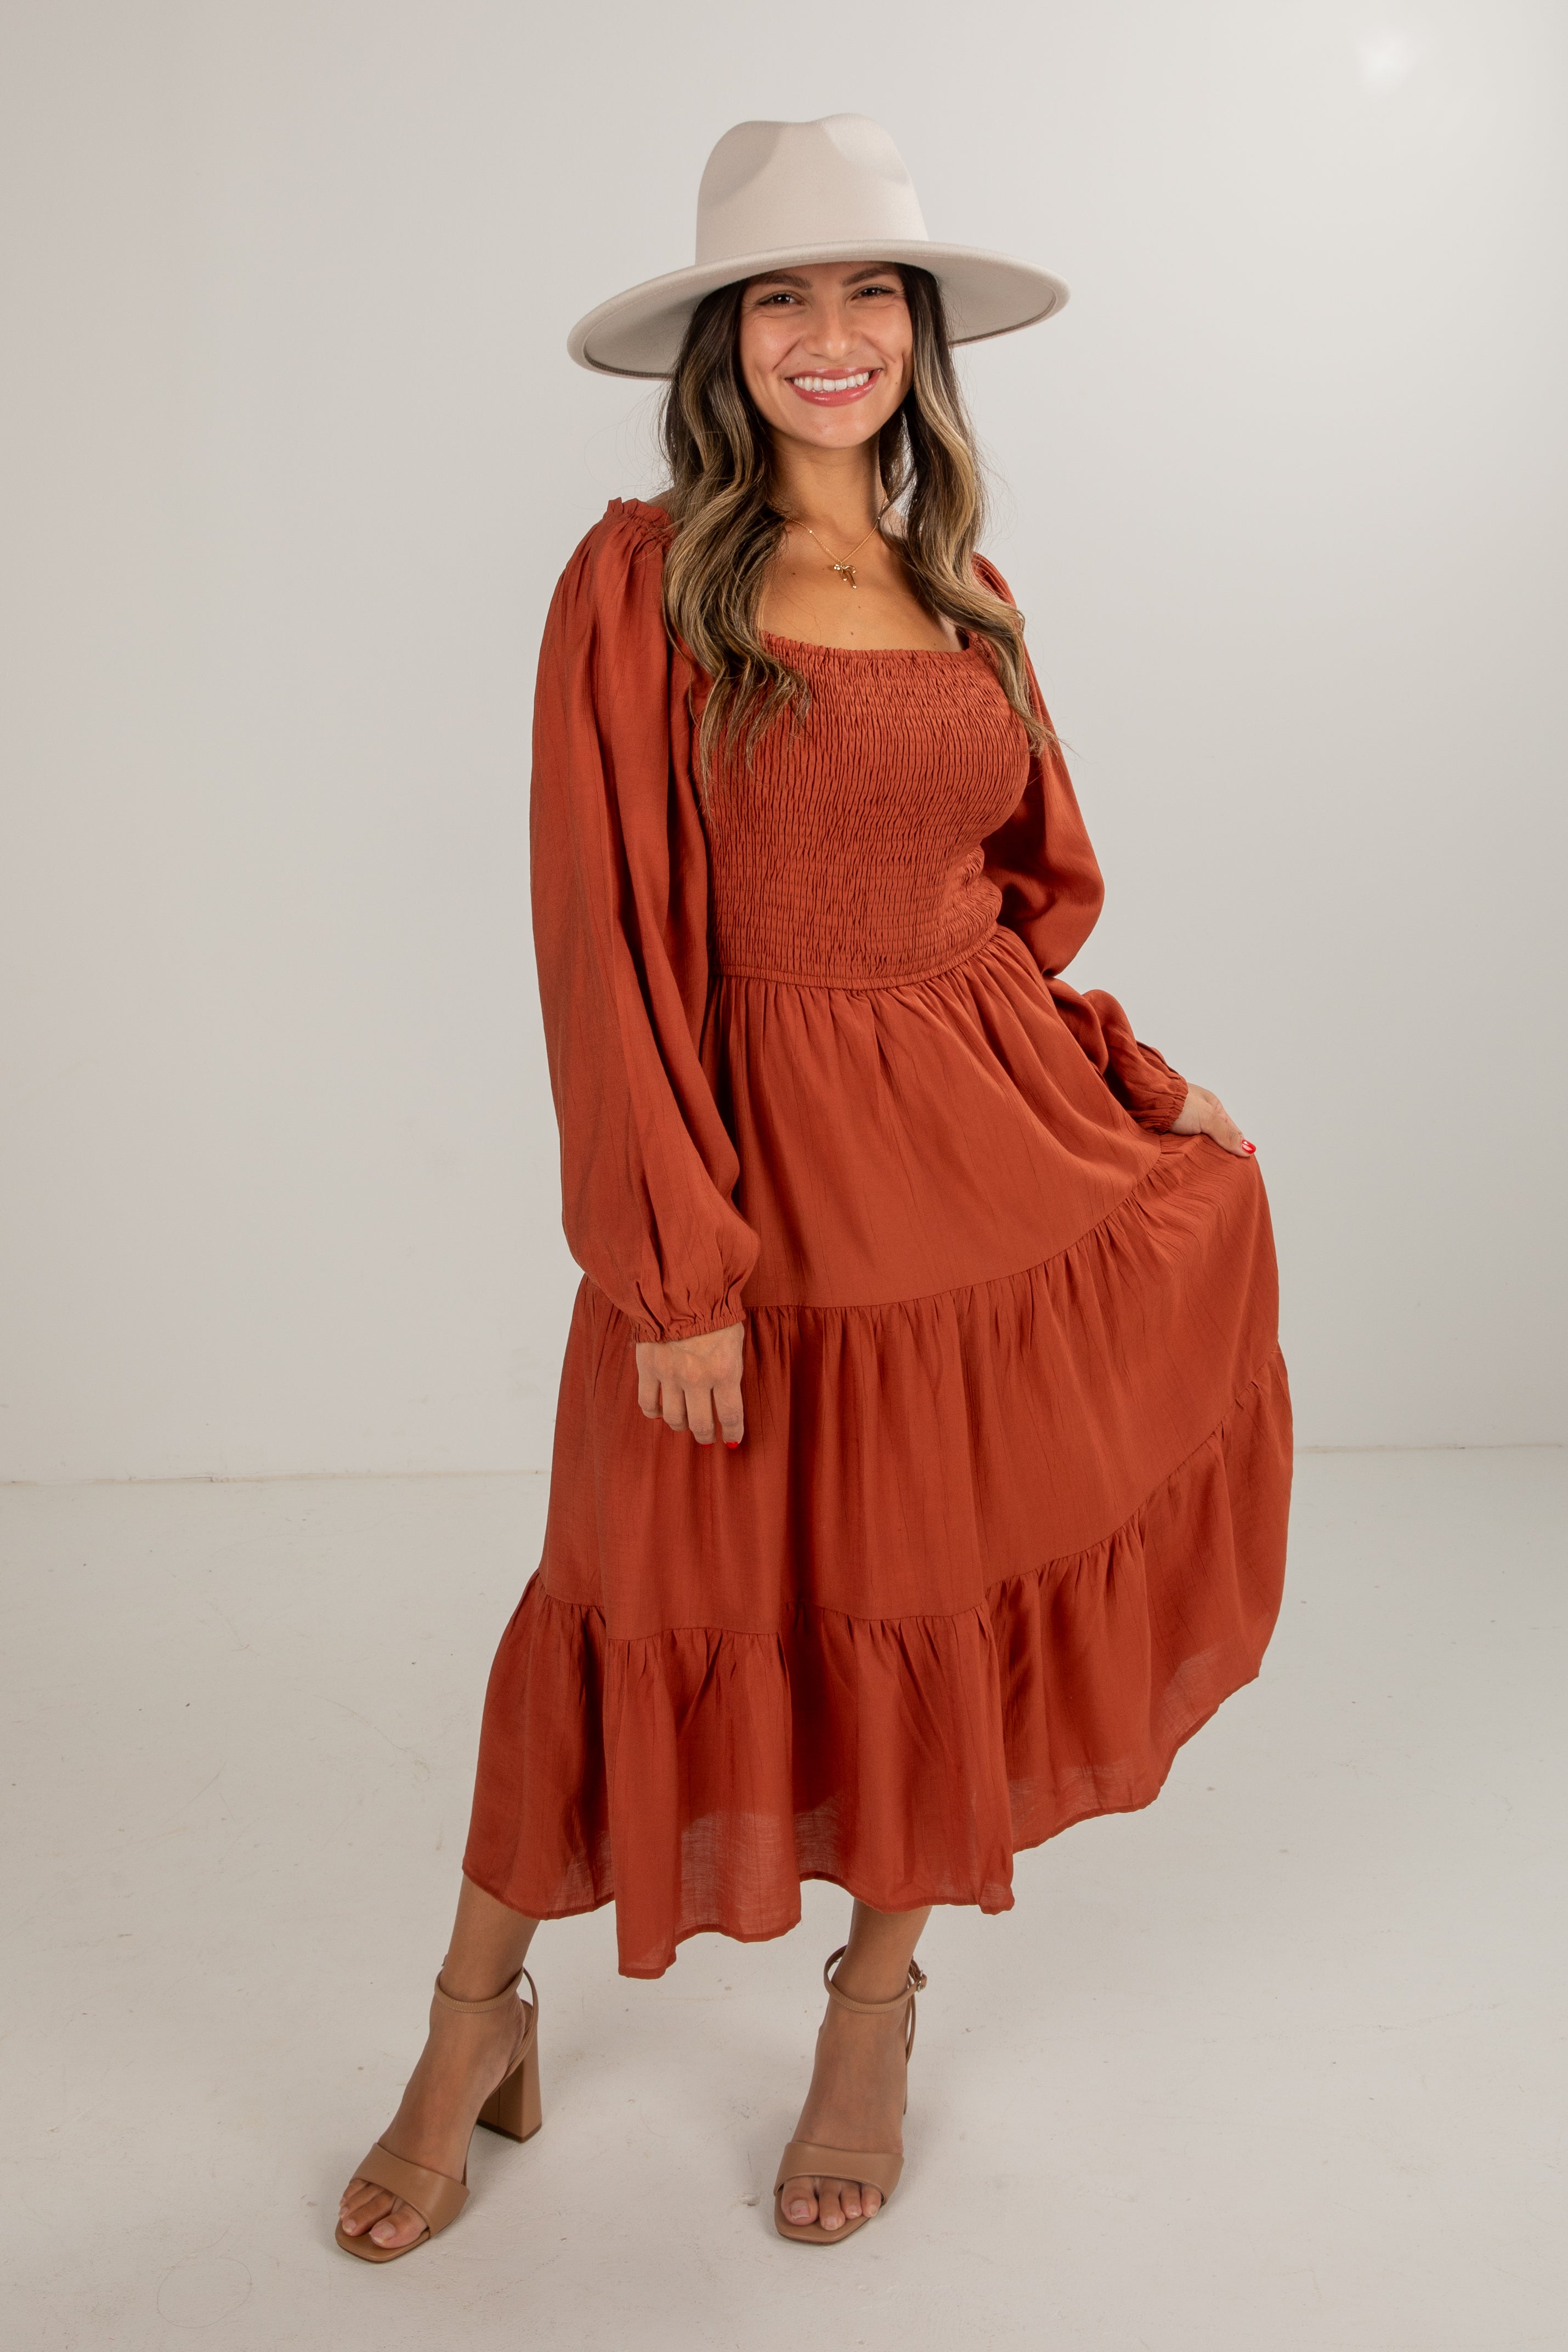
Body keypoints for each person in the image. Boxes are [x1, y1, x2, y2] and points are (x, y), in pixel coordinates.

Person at [336, 112, 1291, 2263]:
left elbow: (1010, 904)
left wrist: (1132, 1085)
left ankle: (871, 2010)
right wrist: (673, 1263)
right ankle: (467, 2025)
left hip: (973, 1172)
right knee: (628, 1590)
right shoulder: (637, 577)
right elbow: (606, 949)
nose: (832, 333)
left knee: (916, 1591)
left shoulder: (970, 587)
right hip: (747, 1190)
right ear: (724, 341)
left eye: (870, 294)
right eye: (785, 295)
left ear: (921, 337)